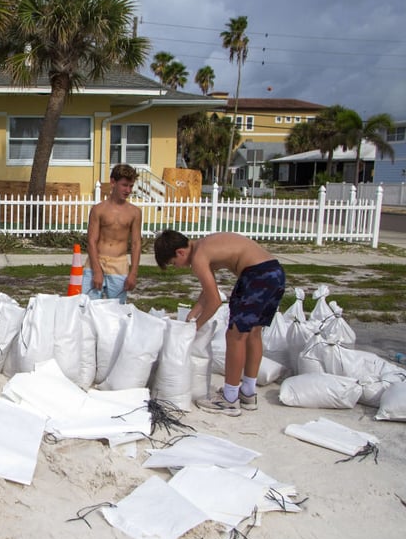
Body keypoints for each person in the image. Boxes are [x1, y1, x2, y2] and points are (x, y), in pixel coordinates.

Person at [154, 230, 286, 416]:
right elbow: (207, 291)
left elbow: (214, 300)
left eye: (174, 263)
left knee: (235, 336)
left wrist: (196, 326)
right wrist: (192, 316)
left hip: (255, 276)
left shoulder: (199, 257)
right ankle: (248, 392)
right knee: (254, 333)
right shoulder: (205, 246)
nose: (177, 267)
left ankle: (230, 399)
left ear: (180, 252)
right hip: (274, 273)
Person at [82, 163, 142, 303]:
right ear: (113, 182)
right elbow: (91, 240)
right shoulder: (99, 209)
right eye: (124, 185)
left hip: (119, 264)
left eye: (131, 186)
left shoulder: (134, 212)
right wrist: (96, 270)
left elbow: (136, 243)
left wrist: (133, 273)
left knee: (117, 311)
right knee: (87, 307)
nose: (128, 190)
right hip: (96, 262)